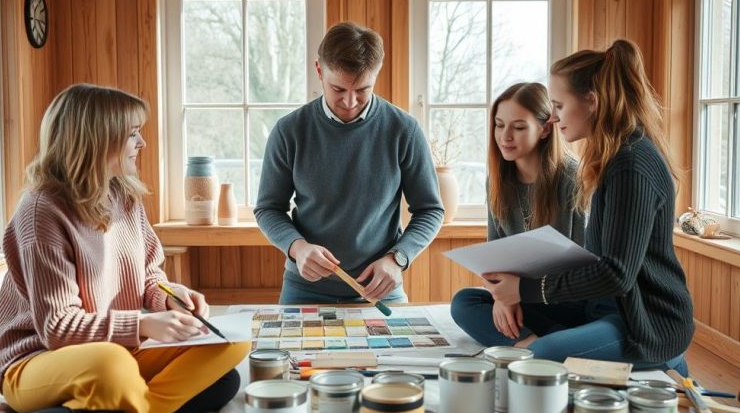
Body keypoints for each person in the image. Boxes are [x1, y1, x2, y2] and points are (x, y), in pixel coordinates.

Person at [0, 84, 249, 413]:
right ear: (97, 138)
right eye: (132, 134)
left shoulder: (124, 195)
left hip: (114, 351)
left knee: (229, 352)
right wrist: (143, 324)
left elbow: (150, 274)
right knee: (113, 369)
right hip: (40, 360)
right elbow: (57, 328)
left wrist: (170, 298)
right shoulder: (41, 211)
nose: (141, 143)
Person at [472, 40, 694, 373]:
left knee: (544, 353)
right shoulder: (615, 158)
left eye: (559, 105)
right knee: (468, 303)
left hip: (644, 325)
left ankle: (576, 348)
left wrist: (523, 289)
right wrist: (509, 294)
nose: (554, 117)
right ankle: (568, 346)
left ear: (591, 102)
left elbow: (617, 274)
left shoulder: (631, 164)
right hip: (602, 310)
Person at [254, 21, 444, 305]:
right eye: (338, 89)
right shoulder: (289, 131)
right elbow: (268, 208)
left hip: (381, 289)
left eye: (363, 90)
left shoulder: (404, 130)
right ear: (319, 70)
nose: (351, 101)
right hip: (305, 288)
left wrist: (398, 259)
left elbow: (430, 210)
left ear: (376, 76)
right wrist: (297, 247)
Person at [450, 82, 584, 344]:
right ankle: (535, 344)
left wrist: (514, 293)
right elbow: (494, 259)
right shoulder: (497, 181)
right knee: (464, 302)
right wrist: (501, 298)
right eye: (499, 125)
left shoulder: (573, 177)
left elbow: (586, 263)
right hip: (523, 299)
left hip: (569, 298)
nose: (505, 136)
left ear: (545, 129)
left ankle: (542, 342)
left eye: (519, 127)